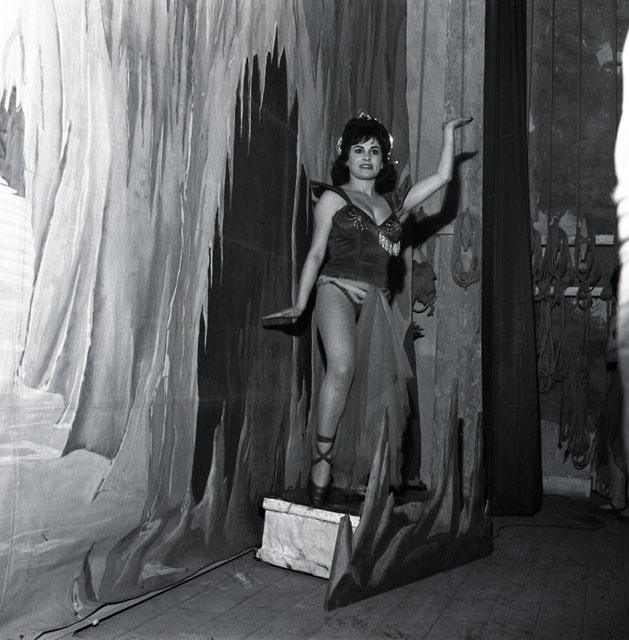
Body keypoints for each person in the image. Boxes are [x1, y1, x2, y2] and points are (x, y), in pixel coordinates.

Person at [264, 112, 472, 506]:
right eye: (358, 150)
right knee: (342, 368)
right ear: (346, 157)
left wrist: (447, 133)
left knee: (378, 392)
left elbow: (443, 178)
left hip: (378, 303)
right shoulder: (333, 198)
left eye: (374, 151)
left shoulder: (394, 204)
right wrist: (301, 302)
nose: (366, 157)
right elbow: (316, 254)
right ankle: (322, 462)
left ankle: (359, 473)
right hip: (336, 290)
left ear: (383, 161)